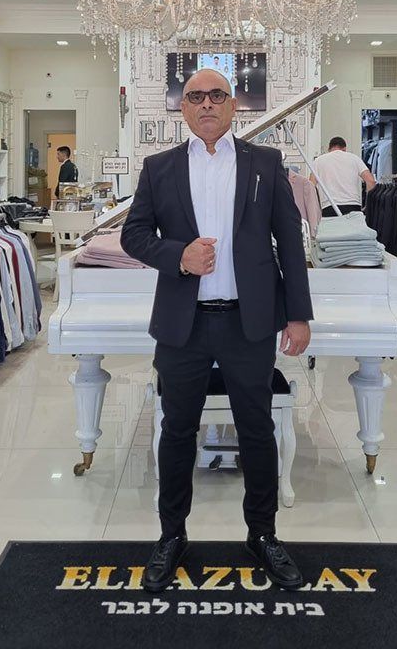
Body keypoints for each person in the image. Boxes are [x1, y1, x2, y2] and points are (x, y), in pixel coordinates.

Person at [121, 68, 313, 593]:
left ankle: (263, 534)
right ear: (183, 108)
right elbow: (134, 235)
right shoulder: (159, 168)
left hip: (249, 323)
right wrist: (177, 256)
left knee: (257, 431)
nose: (206, 104)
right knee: (176, 431)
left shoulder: (265, 163)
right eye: (196, 96)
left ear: (233, 106)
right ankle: (171, 535)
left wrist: (298, 314)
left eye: (217, 95)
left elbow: (289, 241)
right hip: (182, 325)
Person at [310, 136, 376, 217]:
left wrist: (315, 209)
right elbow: (371, 181)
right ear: (344, 149)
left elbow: (310, 186)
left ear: (329, 149)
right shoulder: (354, 158)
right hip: (353, 206)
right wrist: (368, 205)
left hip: (329, 207)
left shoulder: (318, 161)